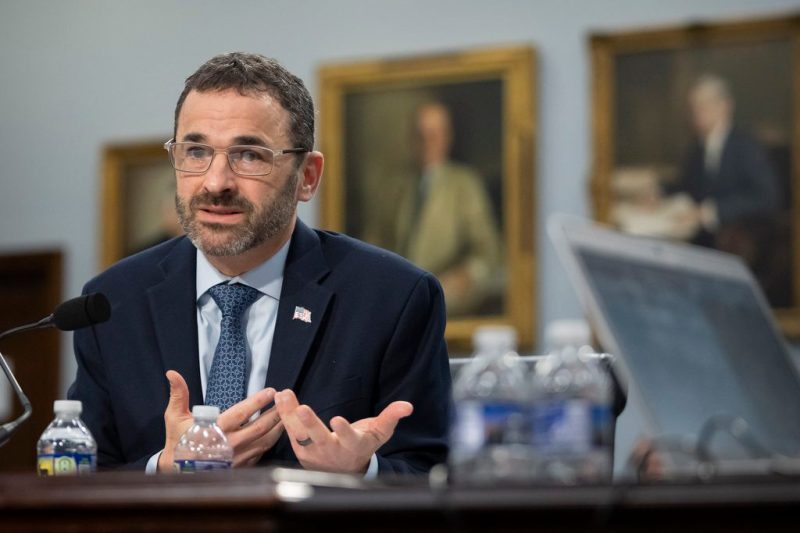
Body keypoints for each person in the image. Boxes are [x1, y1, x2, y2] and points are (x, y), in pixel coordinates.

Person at [68, 52, 451, 476]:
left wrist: (360, 471)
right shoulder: (113, 302)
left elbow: (435, 473)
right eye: (196, 151)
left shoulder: (392, 298)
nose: (216, 182)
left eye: (249, 155)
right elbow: (78, 479)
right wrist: (164, 469)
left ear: (307, 176)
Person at [394, 101, 502, 317]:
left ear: (447, 137)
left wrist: (465, 276)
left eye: (434, 134)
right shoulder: (399, 188)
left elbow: (488, 251)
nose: (427, 142)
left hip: (447, 304)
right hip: (400, 303)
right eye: (421, 135)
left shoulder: (464, 184)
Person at [668, 74, 779, 248]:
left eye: (702, 106)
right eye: (693, 108)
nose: (696, 114)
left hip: (738, 240)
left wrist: (710, 212)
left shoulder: (745, 145)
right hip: (700, 238)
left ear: (724, 106)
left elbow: (766, 198)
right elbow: (687, 185)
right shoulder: (697, 148)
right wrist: (659, 191)